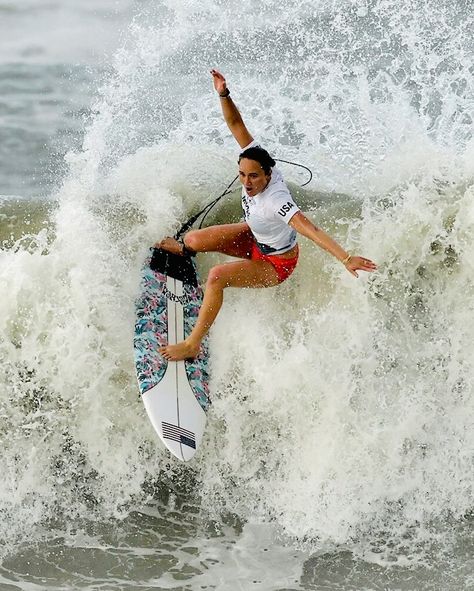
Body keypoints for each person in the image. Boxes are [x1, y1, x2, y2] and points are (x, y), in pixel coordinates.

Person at [158, 69, 377, 361]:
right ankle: (185, 250)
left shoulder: (277, 200)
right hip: (254, 237)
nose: (247, 183)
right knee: (193, 239)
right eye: (242, 175)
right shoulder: (256, 160)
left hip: (275, 264)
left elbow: (309, 228)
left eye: (253, 177)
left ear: (268, 174)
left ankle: (192, 344)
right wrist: (223, 94)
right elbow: (235, 123)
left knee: (216, 277)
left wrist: (346, 258)